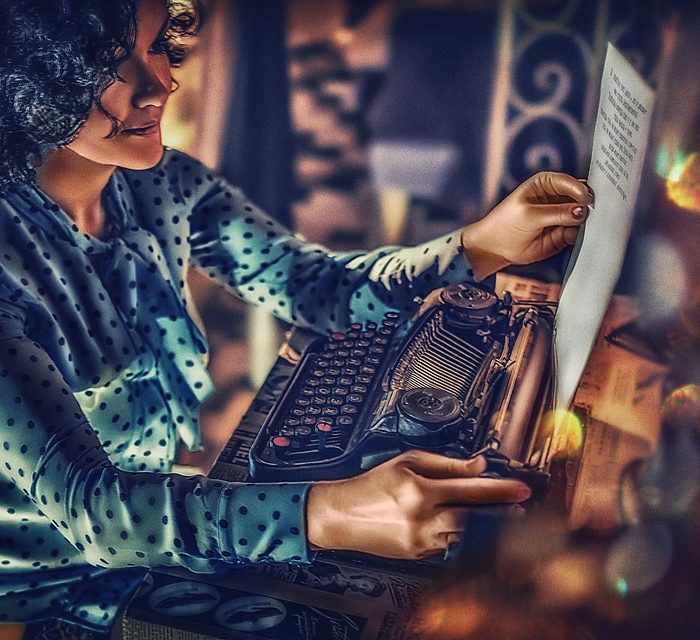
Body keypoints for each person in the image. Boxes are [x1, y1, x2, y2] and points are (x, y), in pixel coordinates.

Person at [0, 0, 593, 635]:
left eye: (156, 48)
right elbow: (94, 510)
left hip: (156, 537)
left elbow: (310, 285)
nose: (163, 84)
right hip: (50, 596)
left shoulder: (156, 183)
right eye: (114, 63)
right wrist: (331, 512)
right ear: (37, 76)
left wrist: (481, 245)